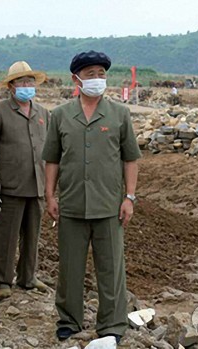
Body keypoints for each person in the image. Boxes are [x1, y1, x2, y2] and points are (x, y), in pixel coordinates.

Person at [42, 50, 141, 344]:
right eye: (90, 74)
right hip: (71, 204)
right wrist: (50, 195)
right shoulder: (60, 115)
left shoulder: (119, 114)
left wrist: (130, 197)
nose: (97, 79)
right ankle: (68, 321)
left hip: (109, 206)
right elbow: (52, 159)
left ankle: (112, 324)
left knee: (111, 269)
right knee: (70, 268)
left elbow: (130, 159)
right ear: (76, 79)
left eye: (101, 74)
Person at [0, 61, 49, 301]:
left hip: (37, 185)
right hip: (10, 185)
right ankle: (2, 280)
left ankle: (28, 277)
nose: (27, 86)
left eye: (30, 82)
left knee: (32, 236)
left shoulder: (42, 113)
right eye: (22, 82)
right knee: (6, 236)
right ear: (11, 86)